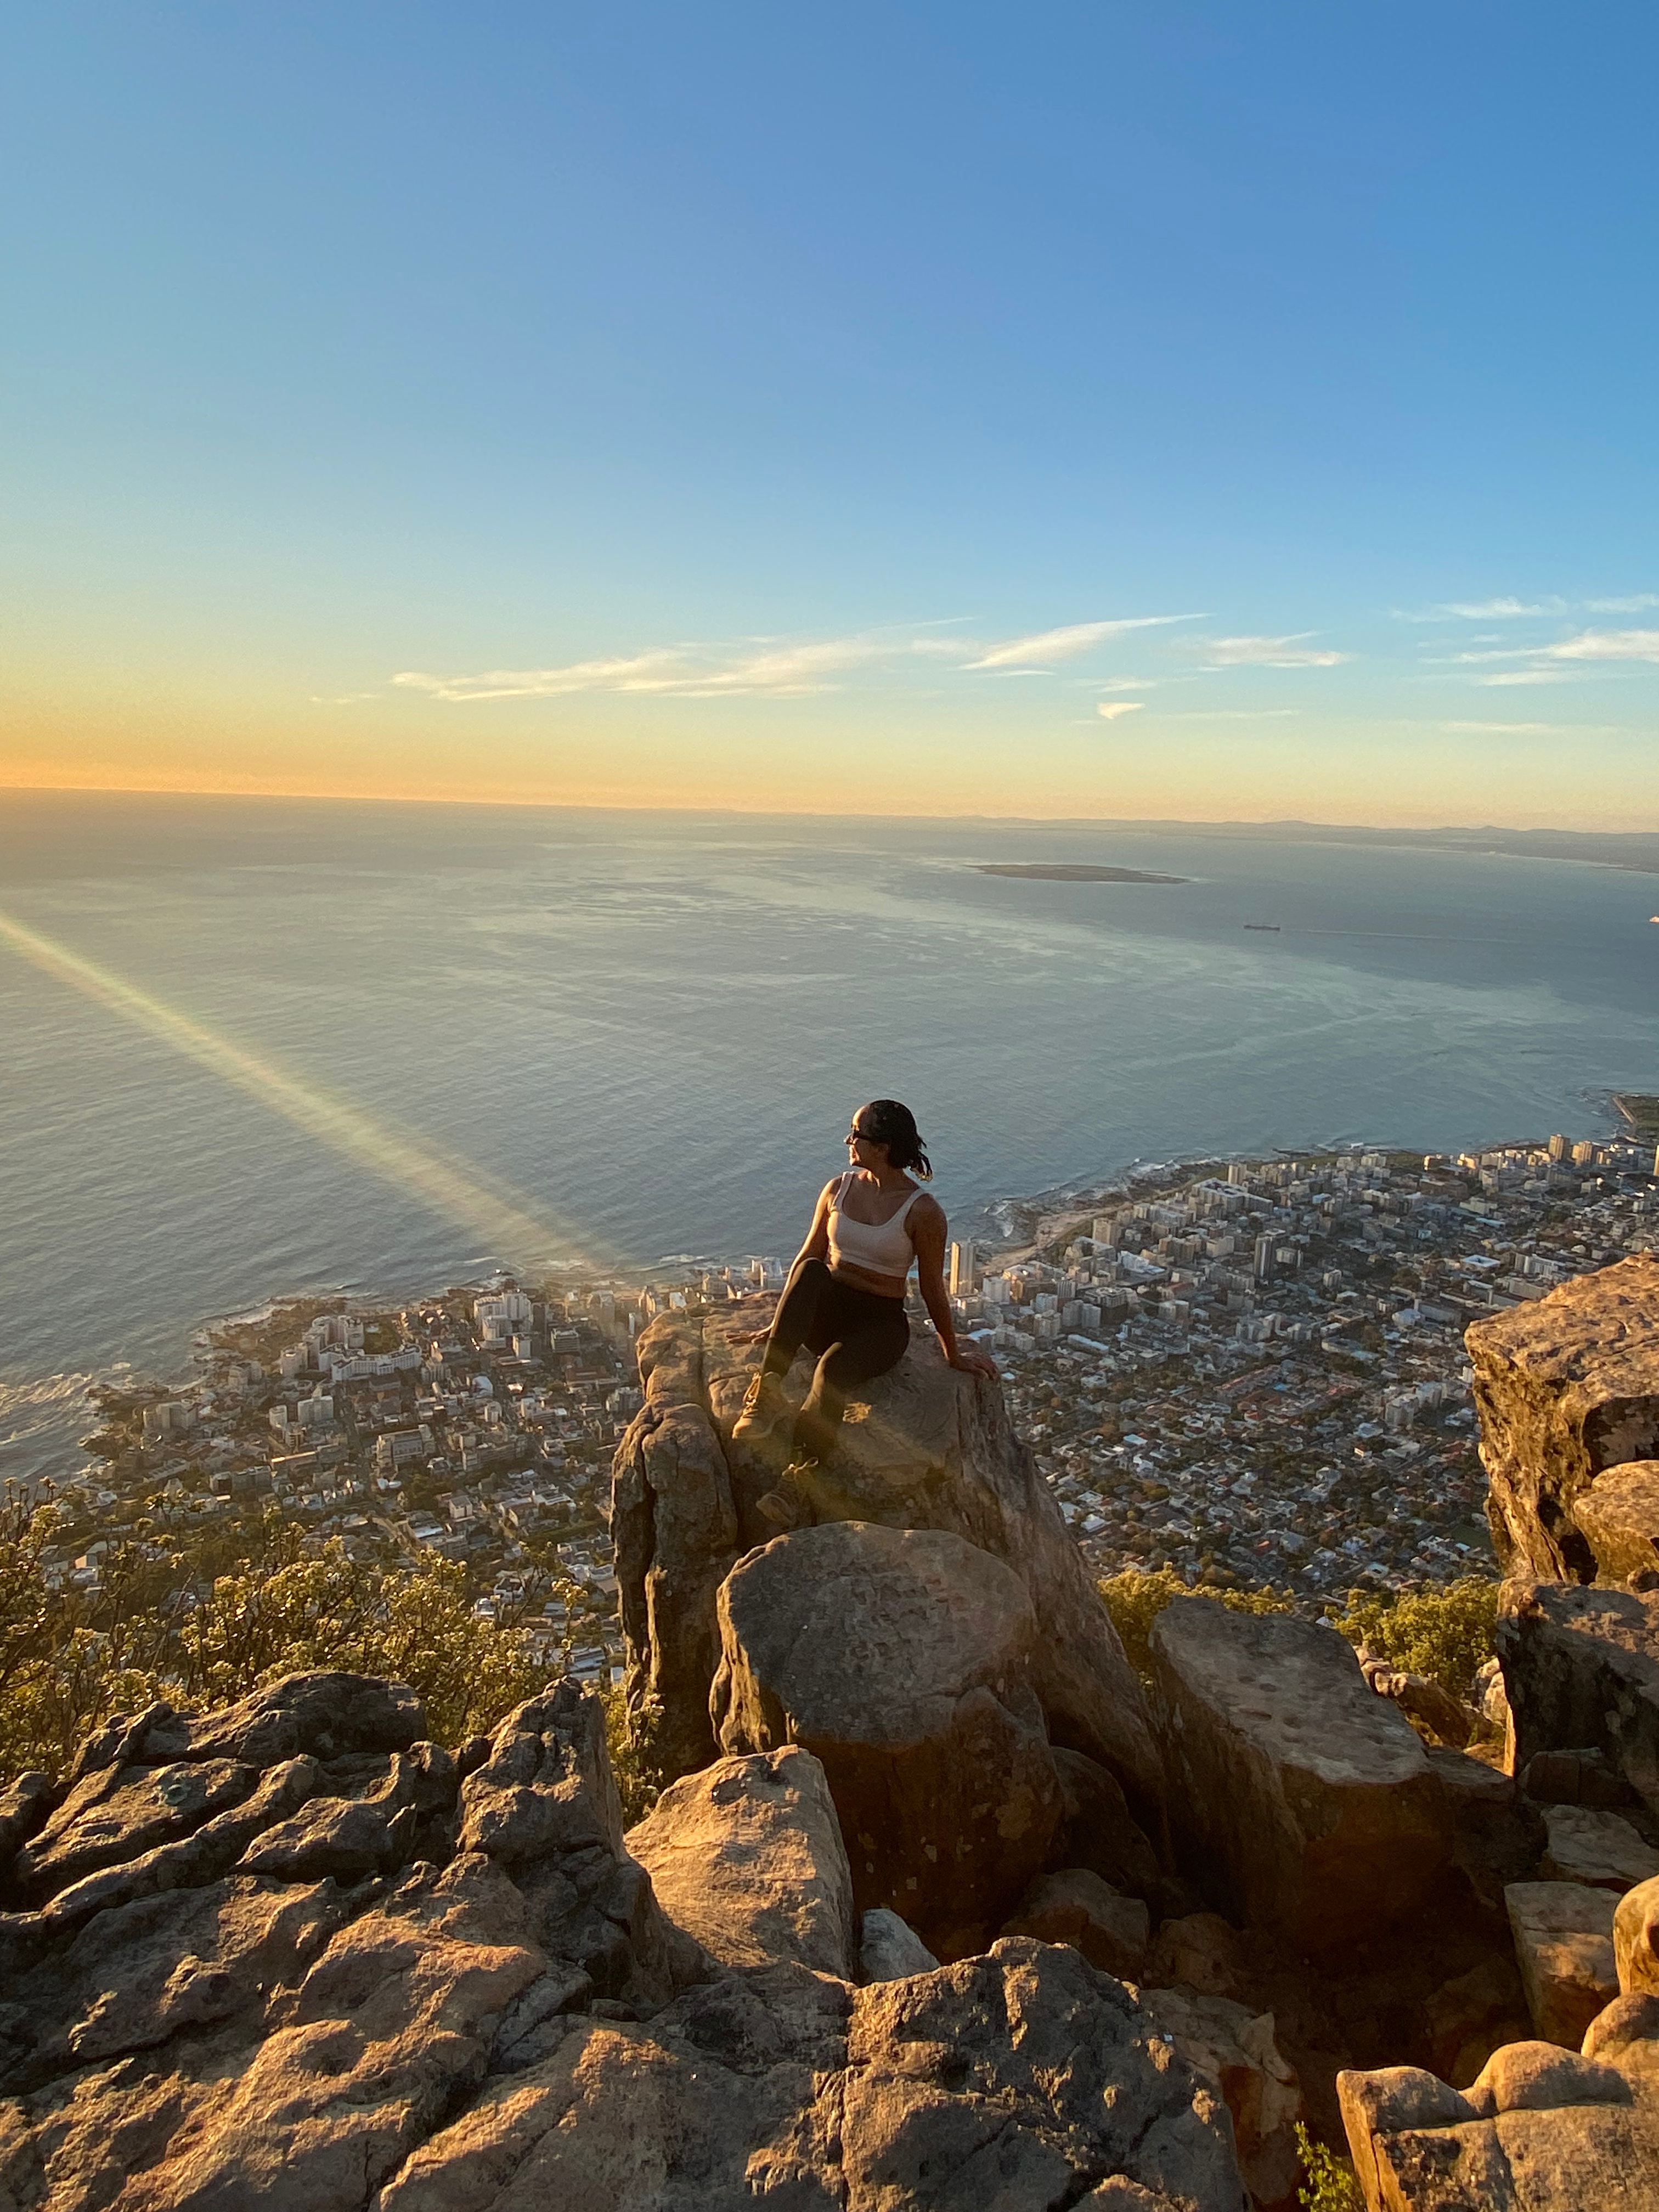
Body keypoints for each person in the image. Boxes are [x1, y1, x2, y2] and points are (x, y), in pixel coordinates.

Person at [733, 1099, 998, 1526]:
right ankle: (765, 1395)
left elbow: (932, 1287)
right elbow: (808, 1258)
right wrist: (780, 1324)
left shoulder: (923, 1212)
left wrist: (951, 1353)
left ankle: (797, 1479)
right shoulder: (838, 1188)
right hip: (832, 1305)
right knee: (814, 1270)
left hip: (880, 1323)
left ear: (883, 1147)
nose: (848, 1141)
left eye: (857, 1134)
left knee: (831, 1373)